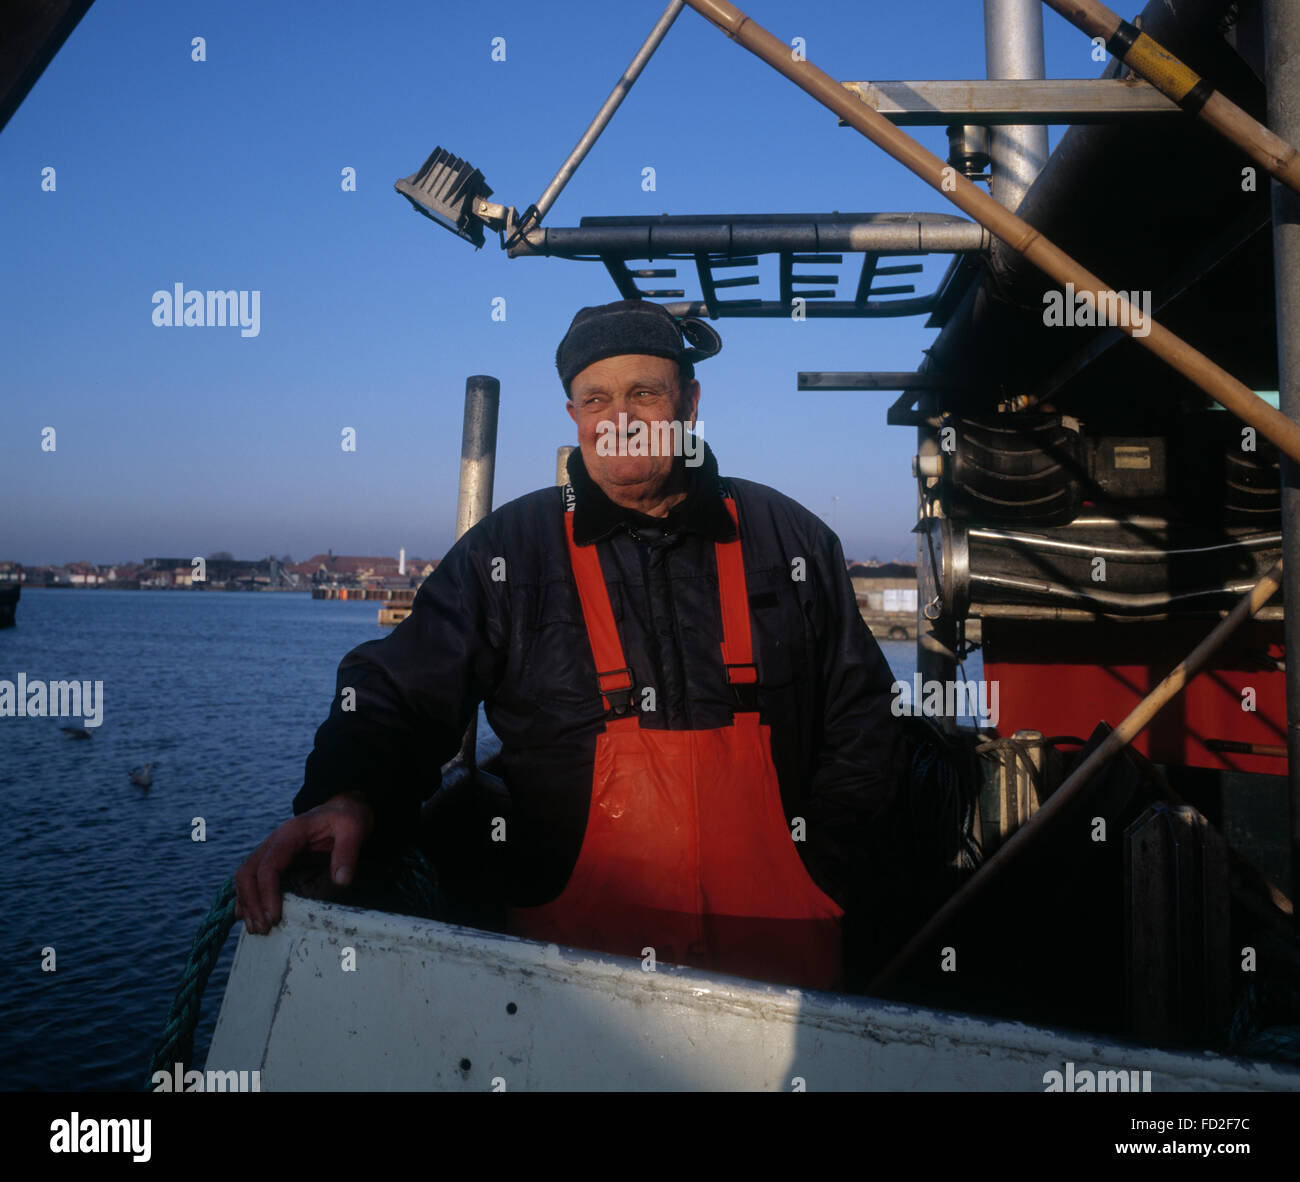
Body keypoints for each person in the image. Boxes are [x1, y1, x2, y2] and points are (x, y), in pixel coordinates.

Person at [234, 299, 904, 990]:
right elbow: (396, 691)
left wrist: (825, 868)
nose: (620, 420)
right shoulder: (510, 553)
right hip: (576, 989)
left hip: (786, 959)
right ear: (574, 417)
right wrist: (350, 794)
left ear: (690, 403)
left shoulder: (789, 540)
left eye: (645, 394)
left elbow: (864, 720)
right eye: (596, 399)